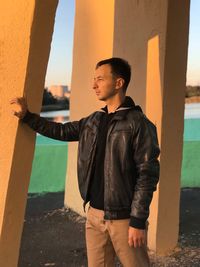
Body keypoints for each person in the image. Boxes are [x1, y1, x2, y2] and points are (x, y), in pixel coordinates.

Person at [10, 57, 160, 267]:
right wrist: (27, 116)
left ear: (119, 83)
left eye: (100, 79)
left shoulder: (139, 124)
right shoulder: (93, 121)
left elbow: (148, 174)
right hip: (94, 216)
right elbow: (60, 130)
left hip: (124, 219)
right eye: (93, 79)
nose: (94, 85)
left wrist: (137, 220)